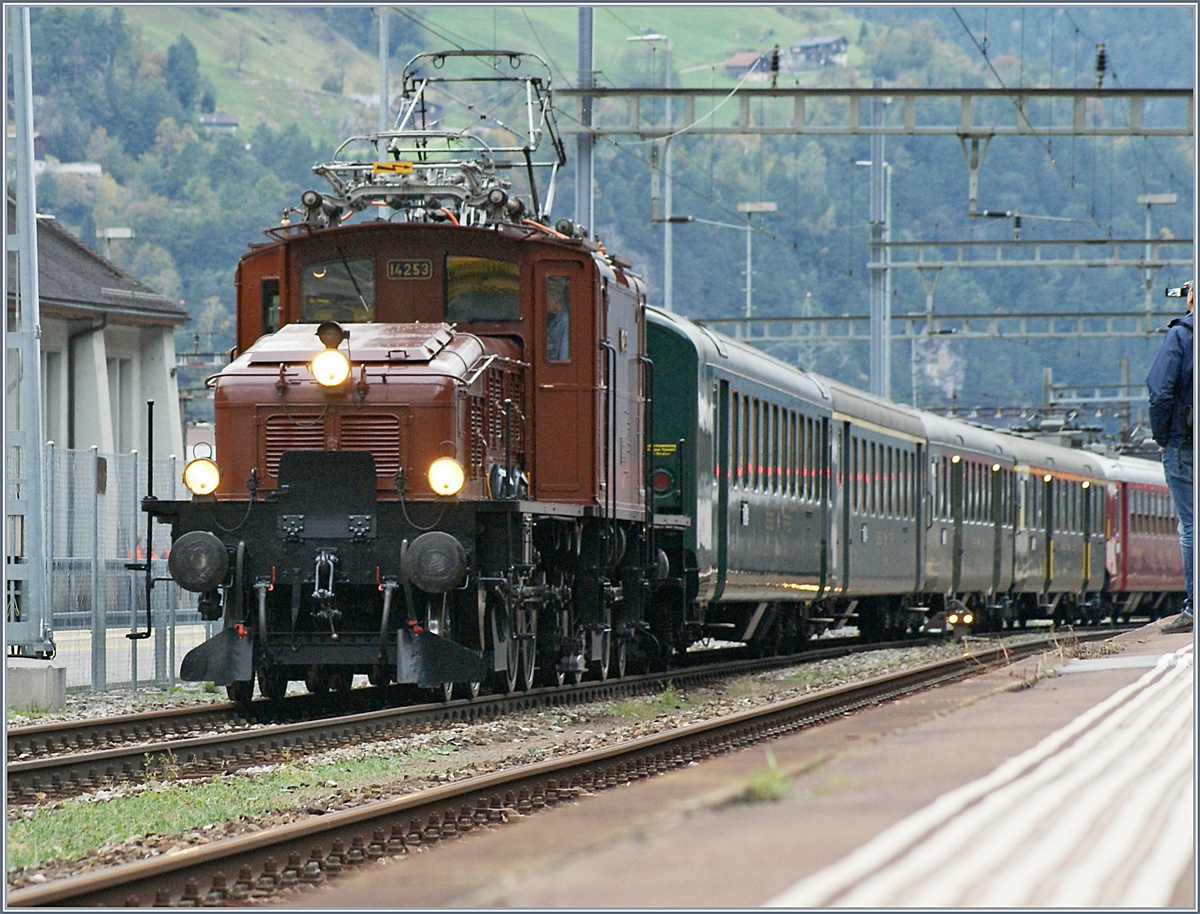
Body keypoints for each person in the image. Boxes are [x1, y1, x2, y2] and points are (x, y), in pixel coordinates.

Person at [1147, 279, 1194, 634]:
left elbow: (1160, 391)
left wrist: (1165, 438)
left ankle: (1194, 606)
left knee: (1191, 526)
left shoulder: (1181, 335)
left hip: (1186, 443)